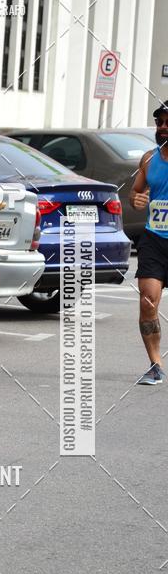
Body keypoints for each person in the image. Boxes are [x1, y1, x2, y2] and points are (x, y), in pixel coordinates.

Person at [130, 101, 168, 385]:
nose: (163, 127)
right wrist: (137, 199)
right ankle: (155, 364)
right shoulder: (148, 159)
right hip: (154, 239)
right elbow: (136, 192)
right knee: (147, 301)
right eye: (159, 123)